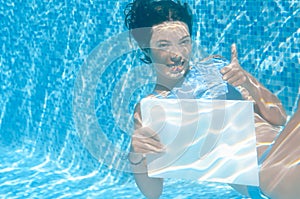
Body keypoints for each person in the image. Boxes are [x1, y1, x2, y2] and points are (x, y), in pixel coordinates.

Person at [124, 0, 300, 198]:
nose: (177, 54)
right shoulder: (152, 106)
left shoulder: (219, 66)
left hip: (287, 147)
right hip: (265, 174)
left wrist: (249, 84)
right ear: (146, 48)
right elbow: (152, 192)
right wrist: (137, 154)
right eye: (164, 45)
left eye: (184, 42)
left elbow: (280, 118)